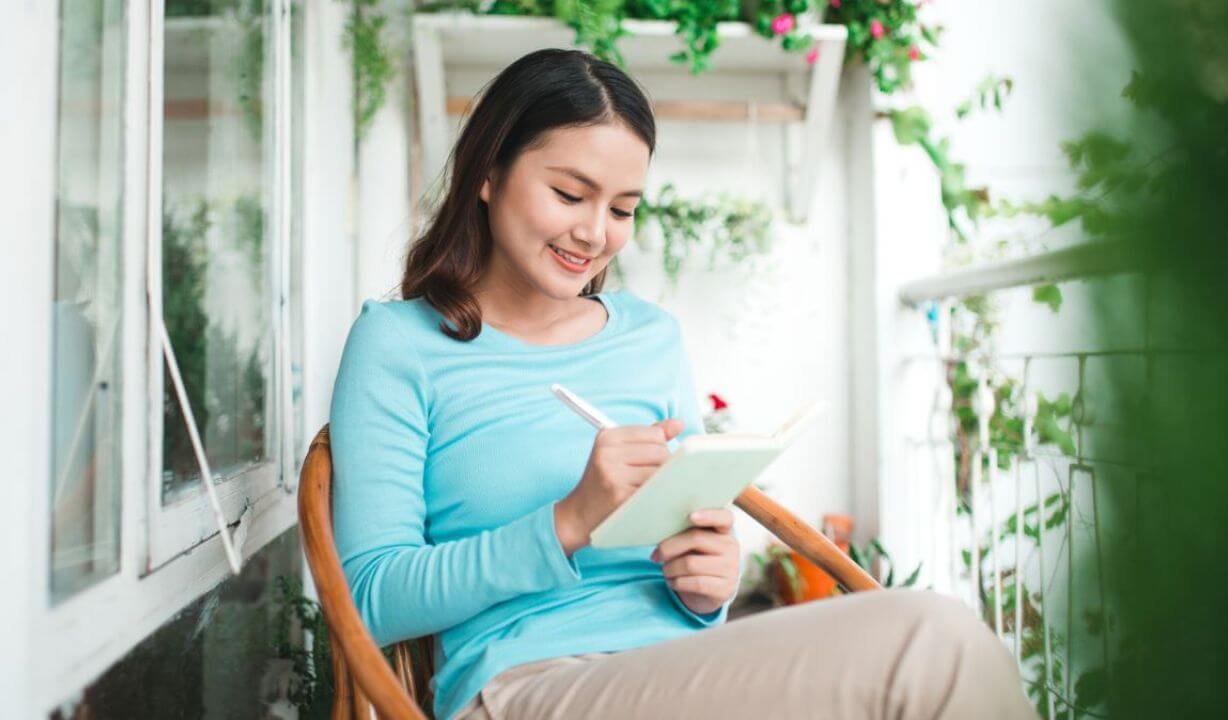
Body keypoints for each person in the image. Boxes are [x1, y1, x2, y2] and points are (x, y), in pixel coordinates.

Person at [329, 48, 1036, 720]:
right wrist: (569, 522)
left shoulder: (649, 337)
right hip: (528, 686)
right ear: (488, 172)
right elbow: (369, 599)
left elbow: (691, 540)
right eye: (570, 193)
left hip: (682, 666)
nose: (594, 232)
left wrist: (709, 585)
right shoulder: (400, 345)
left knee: (938, 648)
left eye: (622, 208)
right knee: (932, 643)